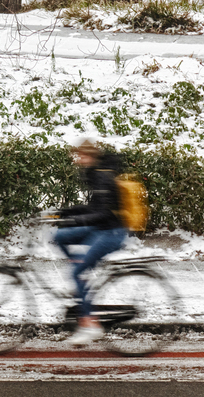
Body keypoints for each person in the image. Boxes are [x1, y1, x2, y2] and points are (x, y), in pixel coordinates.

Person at [53, 139, 127, 346]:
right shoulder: (95, 173)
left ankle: (89, 325)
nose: (77, 159)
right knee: (59, 237)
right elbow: (95, 207)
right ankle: (81, 274)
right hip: (101, 227)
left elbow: (103, 214)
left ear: (91, 156)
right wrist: (67, 212)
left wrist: (76, 220)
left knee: (76, 273)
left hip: (112, 232)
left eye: (81, 155)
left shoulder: (102, 176)